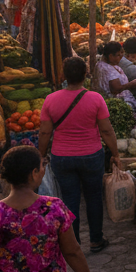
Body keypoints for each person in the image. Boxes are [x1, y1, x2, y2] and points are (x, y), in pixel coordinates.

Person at [37, 57, 120, 254]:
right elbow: (107, 131)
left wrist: (41, 155)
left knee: (70, 199)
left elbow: (44, 132)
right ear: (85, 75)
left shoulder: (51, 100)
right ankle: (96, 240)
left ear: (64, 76)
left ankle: (72, 245)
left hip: (62, 157)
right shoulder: (95, 99)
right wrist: (115, 153)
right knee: (93, 197)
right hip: (91, 155)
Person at [95, 41, 136, 110]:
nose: (120, 58)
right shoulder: (107, 69)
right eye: (118, 55)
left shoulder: (102, 64)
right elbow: (116, 89)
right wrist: (134, 83)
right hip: (121, 104)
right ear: (110, 56)